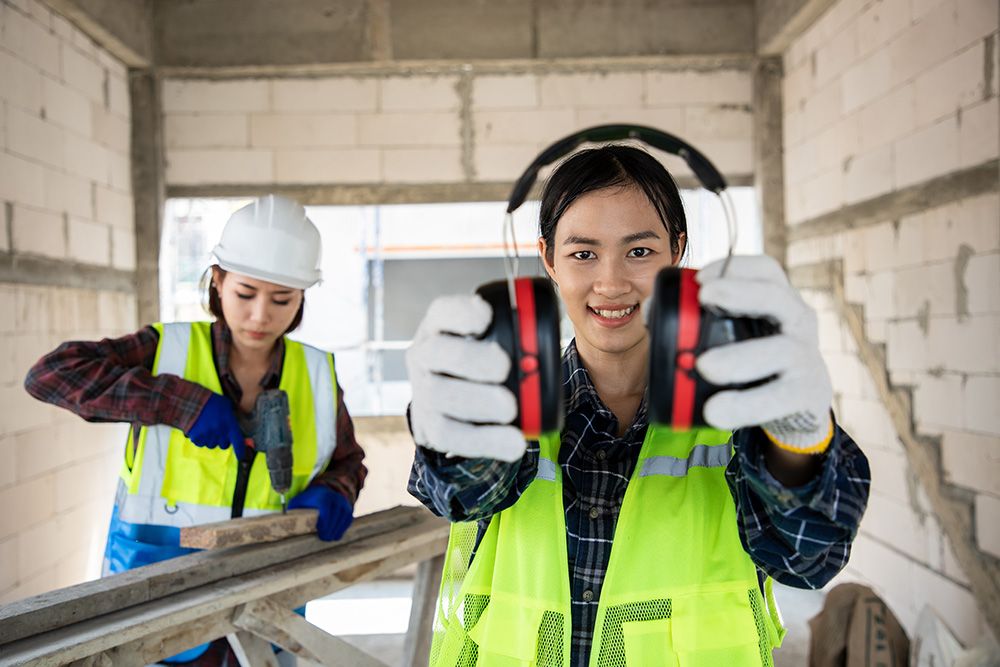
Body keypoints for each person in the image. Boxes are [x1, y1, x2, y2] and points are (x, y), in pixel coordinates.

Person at [406, 145, 871, 666]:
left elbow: (808, 560)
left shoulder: (737, 412)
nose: (611, 283)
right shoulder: (506, 403)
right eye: (583, 254)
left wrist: (799, 443)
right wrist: (447, 425)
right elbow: (455, 493)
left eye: (639, 252)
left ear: (677, 251)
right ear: (547, 260)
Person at [25, 195, 367, 665]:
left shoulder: (317, 373)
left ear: (302, 297)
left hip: (269, 602)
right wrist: (178, 403)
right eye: (245, 294)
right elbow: (50, 374)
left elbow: (348, 460)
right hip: (158, 601)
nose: (260, 316)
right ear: (219, 281)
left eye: (282, 299)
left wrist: (337, 490)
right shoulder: (166, 349)